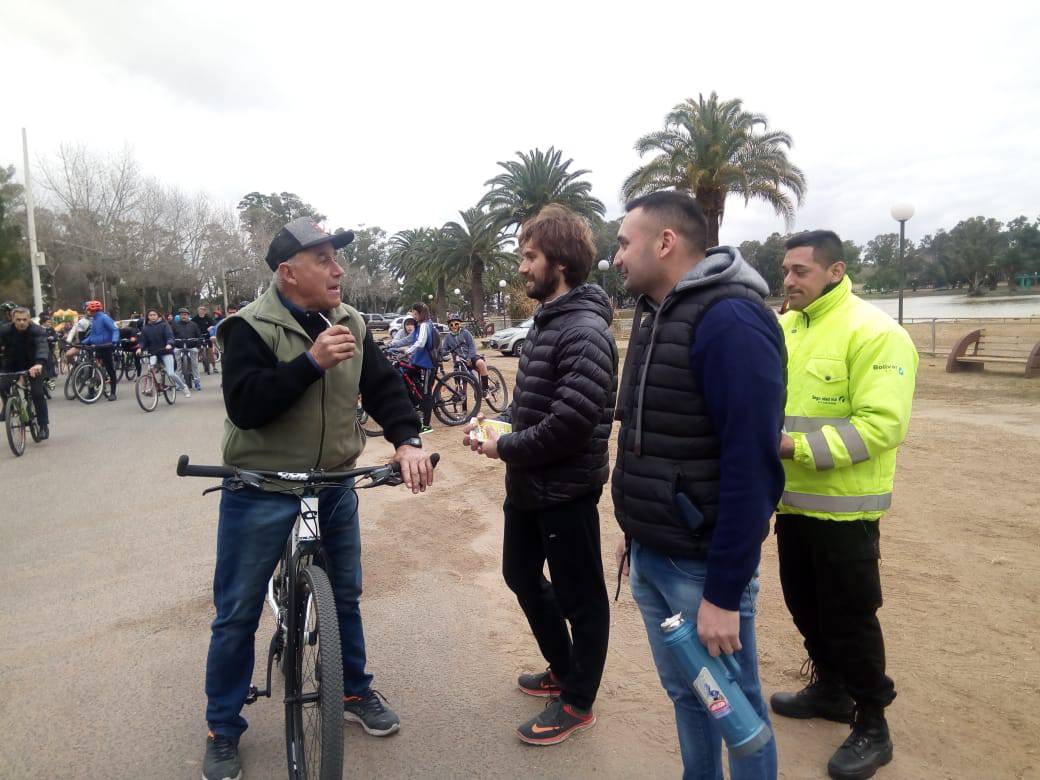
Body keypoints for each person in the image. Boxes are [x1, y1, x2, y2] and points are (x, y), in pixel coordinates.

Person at [201, 217, 434, 780]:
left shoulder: (350, 321)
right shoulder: (249, 327)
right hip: (262, 487)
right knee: (236, 612)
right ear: (288, 272)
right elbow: (246, 406)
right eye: (323, 259)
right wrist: (309, 365)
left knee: (345, 595)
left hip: (332, 482)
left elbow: (382, 385)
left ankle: (353, 691)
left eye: (337, 257)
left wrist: (407, 440)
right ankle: (223, 726)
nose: (338, 269)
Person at [610, 191, 785, 779]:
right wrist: (634, 530)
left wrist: (725, 593)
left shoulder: (731, 319)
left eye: (623, 242)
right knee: (691, 696)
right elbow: (646, 437)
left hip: (702, 569)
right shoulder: (656, 313)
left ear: (666, 243)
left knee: (736, 711)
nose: (615, 258)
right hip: (654, 553)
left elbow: (751, 465)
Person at [463, 204, 618, 746]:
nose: (522, 268)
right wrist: (500, 425)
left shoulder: (583, 330)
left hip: (565, 491)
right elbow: (540, 408)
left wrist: (503, 445)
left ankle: (578, 702)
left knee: (582, 597)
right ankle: (564, 664)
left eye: (530, 257)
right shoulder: (549, 322)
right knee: (520, 574)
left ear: (561, 262)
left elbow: (572, 424)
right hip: (529, 485)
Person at [771, 230, 918, 780]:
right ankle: (831, 691)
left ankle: (872, 722)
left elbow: (882, 425)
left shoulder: (876, 332)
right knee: (803, 605)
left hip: (847, 512)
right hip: (792, 506)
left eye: (800, 271)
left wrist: (794, 447)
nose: (788, 281)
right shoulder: (785, 328)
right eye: (786, 270)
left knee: (851, 618)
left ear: (835, 272)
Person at [0, 306, 51, 438]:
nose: (21, 322)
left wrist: (39, 363)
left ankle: (43, 425)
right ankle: (7, 404)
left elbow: (42, 346)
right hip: (12, 365)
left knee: (37, 392)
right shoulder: (5, 330)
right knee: (2, 386)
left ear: (29, 319)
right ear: (12, 319)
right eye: (18, 320)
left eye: (24, 319)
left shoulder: (36, 330)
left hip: (34, 365)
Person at [66, 300, 120, 401]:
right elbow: (92, 336)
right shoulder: (94, 320)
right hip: (96, 346)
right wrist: (81, 344)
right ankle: (91, 392)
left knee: (110, 369)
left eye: (89, 310)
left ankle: (113, 393)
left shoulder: (104, 318)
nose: (88, 312)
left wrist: (114, 341)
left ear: (93, 310)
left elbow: (115, 329)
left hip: (106, 346)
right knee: (91, 368)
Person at [135, 309, 190, 396]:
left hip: (165, 352)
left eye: (154, 315)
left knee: (171, 373)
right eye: (150, 315)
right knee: (150, 370)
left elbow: (170, 336)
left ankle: (183, 387)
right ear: (147, 317)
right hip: (153, 353)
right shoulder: (146, 328)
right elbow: (142, 341)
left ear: (158, 316)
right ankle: (151, 388)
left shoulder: (164, 325)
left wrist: (169, 344)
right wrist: (140, 348)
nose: (152, 317)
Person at [402, 302, 438, 434]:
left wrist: (408, 351)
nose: (414, 316)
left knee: (426, 393)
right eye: (413, 313)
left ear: (422, 314)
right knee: (404, 377)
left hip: (428, 364)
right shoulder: (418, 326)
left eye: (416, 313)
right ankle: (417, 404)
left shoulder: (424, 325)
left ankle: (427, 425)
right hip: (418, 362)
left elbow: (421, 343)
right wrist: (391, 344)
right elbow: (408, 339)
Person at [444, 317, 489, 390]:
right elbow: (444, 349)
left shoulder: (466, 333)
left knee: (481, 363)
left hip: (471, 357)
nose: (454, 326)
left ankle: (485, 389)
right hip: (459, 361)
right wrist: (442, 354)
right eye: (451, 325)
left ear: (459, 324)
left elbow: (472, 346)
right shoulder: (447, 337)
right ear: (449, 326)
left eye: (456, 324)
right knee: (460, 379)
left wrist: (469, 358)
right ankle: (463, 398)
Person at [172, 308, 203, 390]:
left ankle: (197, 383)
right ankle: (179, 385)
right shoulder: (175, 325)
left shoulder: (194, 324)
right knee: (177, 366)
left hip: (192, 347)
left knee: (195, 365)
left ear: (188, 315)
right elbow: (171, 336)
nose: (183, 316)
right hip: (179, 347)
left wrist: (198, 345)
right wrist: (172, 343)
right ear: (180, 316)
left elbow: (199, 336)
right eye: (181, 315)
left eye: (185, 314)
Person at [192, 305, 217, 375]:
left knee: (210, 352)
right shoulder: (195, 319)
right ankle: (194, 369)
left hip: (208, 336)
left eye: (203, 310)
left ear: (205, 311)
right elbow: (191, 325)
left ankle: (214, 367)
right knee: (198, 352)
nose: (202, 311)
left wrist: (212, 327)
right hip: (198, 337)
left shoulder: (208, 318)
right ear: (198, 311)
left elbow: (214, 324)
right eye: (200, 310)